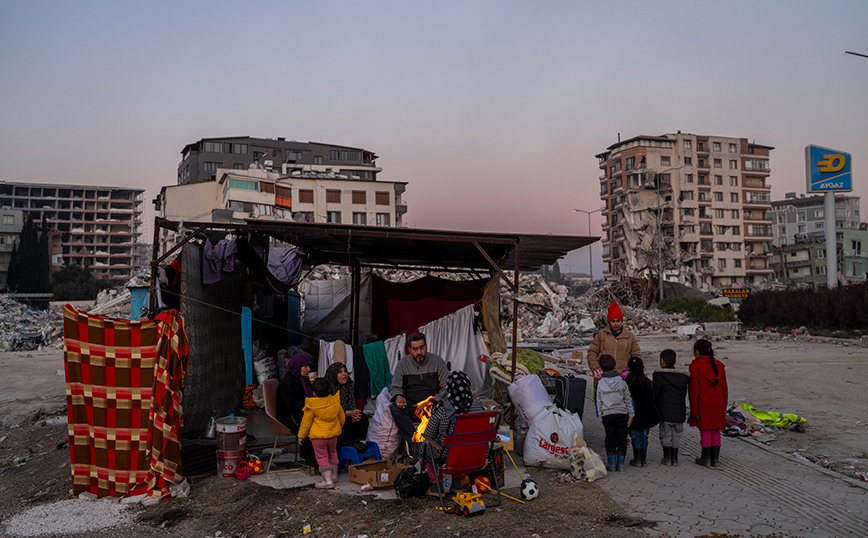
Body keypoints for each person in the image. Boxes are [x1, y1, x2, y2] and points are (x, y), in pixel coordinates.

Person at [419, 371, 484, 492]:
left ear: (449, 388)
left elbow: (429, 434)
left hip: (448, 456)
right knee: (457, 449)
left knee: (425, 447)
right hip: (475, 453)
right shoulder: (478, 406)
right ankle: (456, 484)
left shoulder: (442, 410)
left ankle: (437, 485)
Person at [389, 332, 448, 455]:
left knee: (446, 410)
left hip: (433, 403)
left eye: (422, 348)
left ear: (426, 347)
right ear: (409, 349)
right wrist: (398, 396)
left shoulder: (437, 362)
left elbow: (446, 388)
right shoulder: (403, 364)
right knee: (396, 409)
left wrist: (431, 401)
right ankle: (414, 443)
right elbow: (395, 387)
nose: (419, 352)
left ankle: (438, 446)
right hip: (411, 403)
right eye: (415, 349)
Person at [297, 377, 346, 489]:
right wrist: (338, 427)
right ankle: (334, 476)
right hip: (333, 435)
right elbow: (342, 417)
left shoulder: (311, 406)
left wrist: (301, 436)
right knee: (333, 453)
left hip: (318, 437)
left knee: (322, 458)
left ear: (314, 393)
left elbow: (306, 423)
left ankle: (327, 481)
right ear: (329, 390)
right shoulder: (335, 401)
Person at [689, 339, 728, 468]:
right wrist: (724, 407)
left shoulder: (695, 366)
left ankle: (705, 458)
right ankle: (715, 459)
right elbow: (724, 389)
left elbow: (694, 390)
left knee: (705, 431)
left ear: (697, 351)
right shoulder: (720, 366)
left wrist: (694, 411)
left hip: (703, 404)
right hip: (718, 404)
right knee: (716, 431)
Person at [275, 353, 318, 468]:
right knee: (311, 425)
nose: (308, 369)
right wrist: (311, 412)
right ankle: (313, 461)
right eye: (305, 367)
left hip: (300, 410)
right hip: (288, 414)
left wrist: (315, 385)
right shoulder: (289, 382)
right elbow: (292, 405)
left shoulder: (302, 379)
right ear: (297, 366)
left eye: (309, 366)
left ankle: (316, 458)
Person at [596, 354, 633, 472]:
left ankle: (611, 464)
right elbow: (628, 399)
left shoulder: (600, 384)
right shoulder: (622, 382)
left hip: (608, 415)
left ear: (601, 369)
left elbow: (599, 402)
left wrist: (601, 416)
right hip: (622, 414)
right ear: (615, 366)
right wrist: (631, 414)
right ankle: (620, 465)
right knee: (622, 439)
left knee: (610, 439)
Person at [652, 349, 689, 466]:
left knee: (665, 435)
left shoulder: (659, 375)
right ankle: (675, 459)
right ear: (675, 361)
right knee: (677, 435)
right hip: (679, 411)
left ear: (662, 361)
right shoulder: (683, 378)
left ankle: (667, 458)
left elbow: (655, 394)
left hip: (665, 411)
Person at [588, 302, 641, 378]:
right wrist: (595, 367)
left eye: (618, 321)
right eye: (613, 321)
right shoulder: (601, 335)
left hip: (623, 376)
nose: (616, 324)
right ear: (609, 321)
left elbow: (636, 355)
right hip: (603, 375)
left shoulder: (629, 336)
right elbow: (592, 352)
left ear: (621, 321)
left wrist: (631, 369)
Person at [324, 362, 368, 447]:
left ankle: (359, 446)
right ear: (333, 374)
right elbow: (329, 409)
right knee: (340, 424)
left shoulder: (351, 385)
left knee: (363, 419)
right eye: (340, 372)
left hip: (352, 415)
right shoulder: (328, 388)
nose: (344, 374)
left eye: (345, 371)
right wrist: (347, 413)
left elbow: (359, 402)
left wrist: (357, 413)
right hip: (336, 417)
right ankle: (343, 452)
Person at [626, 356, 659, 467]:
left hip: (632, 415)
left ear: (628, 368)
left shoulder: (627, 382)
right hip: (645, 415)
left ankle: (637, 459)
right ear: (643, 368)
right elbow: (652, 399)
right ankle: (643, 459)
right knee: (644, 436)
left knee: (635, 436)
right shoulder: (647, 382)